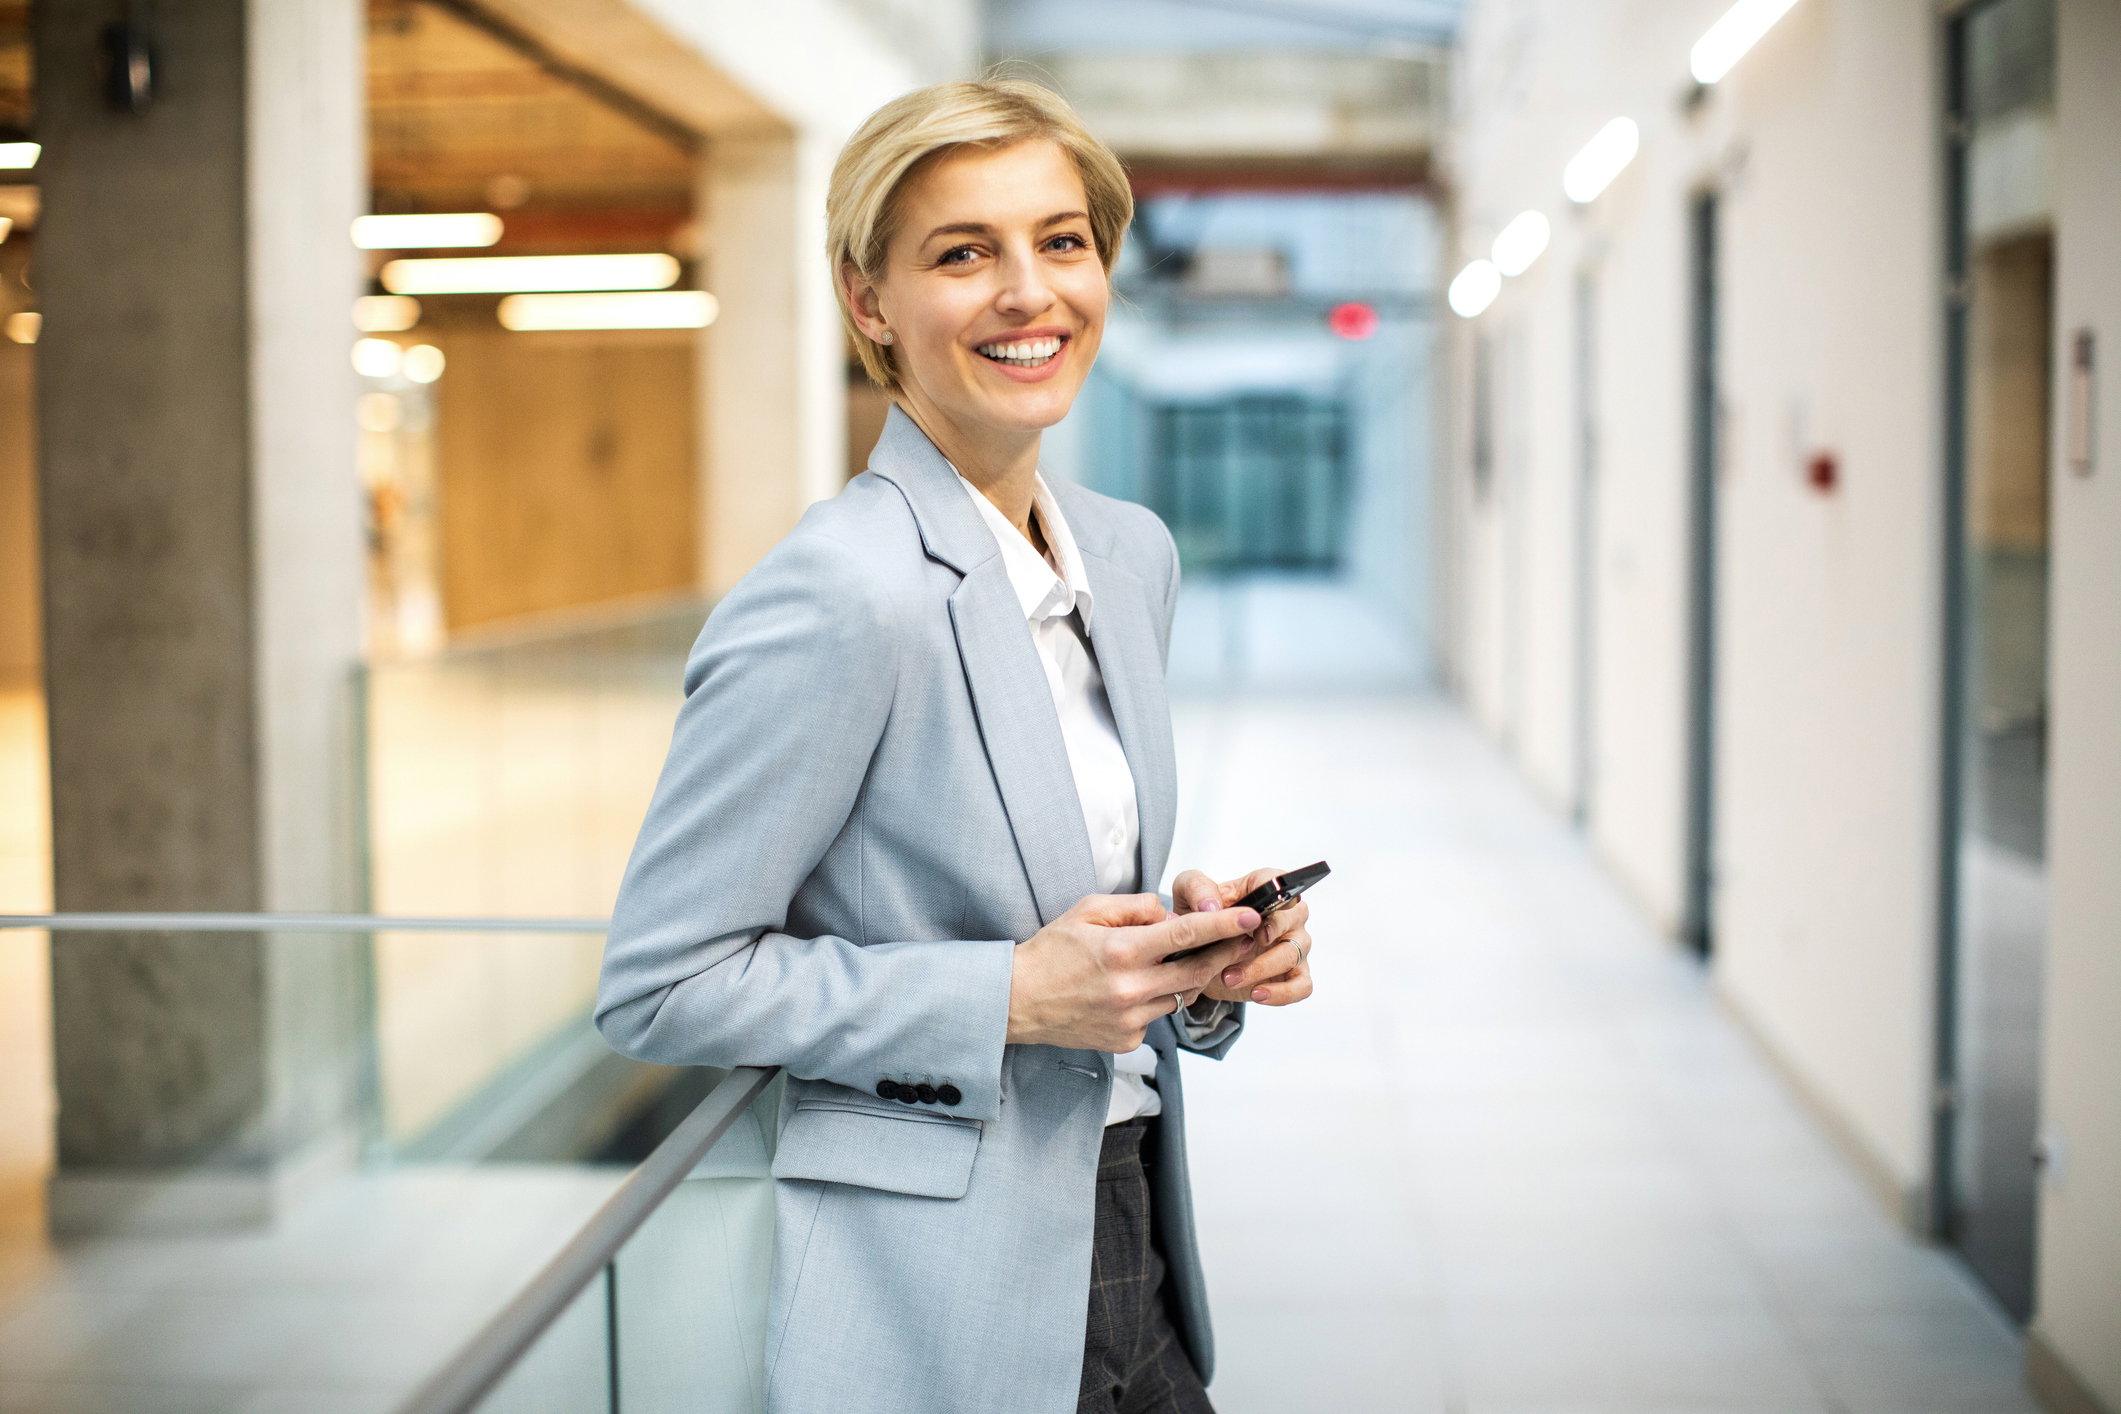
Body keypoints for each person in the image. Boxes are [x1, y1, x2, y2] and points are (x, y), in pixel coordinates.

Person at [595, 78, 1316, 1414]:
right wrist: (1010, 997)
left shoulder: (1128, 554)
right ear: (868, 300)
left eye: (1062, 240)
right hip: (932, 1287)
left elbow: (1056, 912)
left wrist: (1191, 959)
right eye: (963, 252)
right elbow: (663, 983)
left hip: (1131, 1232)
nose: (1029, 292)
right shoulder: (838, 594)